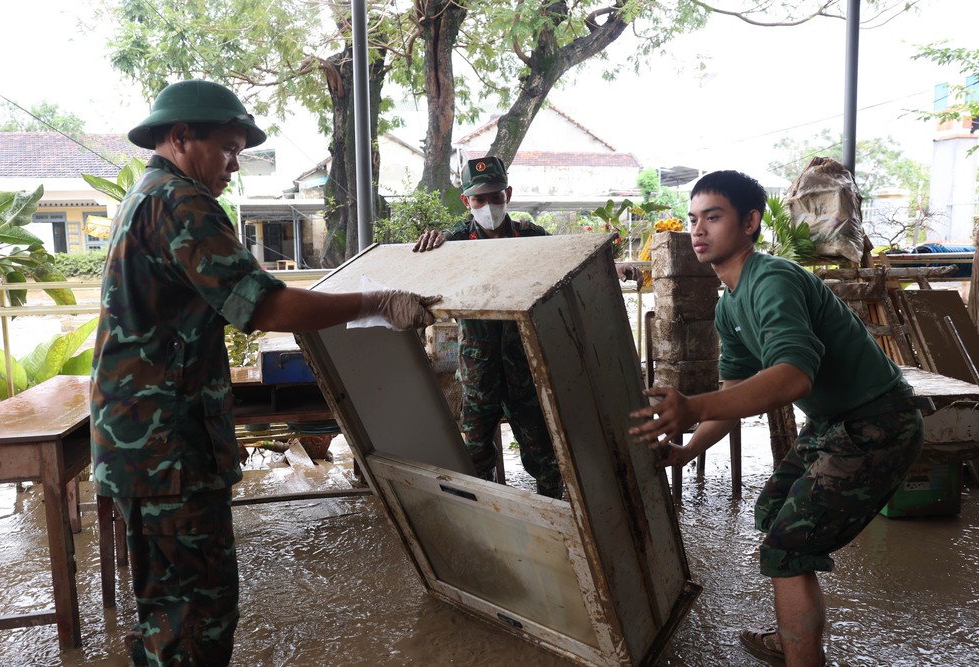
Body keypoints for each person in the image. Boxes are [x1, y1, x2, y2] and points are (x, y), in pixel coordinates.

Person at [90, 79, 439, 667]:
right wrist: (376, 302)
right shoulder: (180, 201)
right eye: (227, 148)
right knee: (196, 618)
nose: (234, 165)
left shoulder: (147, 194)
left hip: (144, 444)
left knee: (167, 610)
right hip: (167, 448)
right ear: (180, 137)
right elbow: (268, 306)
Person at [627, 170, 928, 667]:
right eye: (693, 218)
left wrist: (692, 406)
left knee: (787, 549)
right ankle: (795, 636)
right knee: (773, 514)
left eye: (714, 217)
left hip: (880, 422)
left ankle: (800, 655)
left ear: (750, 222)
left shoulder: (772, 280)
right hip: (835, 424)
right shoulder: (729, 307)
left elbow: (792, 379)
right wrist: (686, 450)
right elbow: (733, 396)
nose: (698, 230)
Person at [414, 155, 643, 498]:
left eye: (495, 196)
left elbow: (572, 261)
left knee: (545, 457)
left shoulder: (532, 237)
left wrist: (616, 266)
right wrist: (428, 248)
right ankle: (483, 520)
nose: (488, 205)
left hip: (527, 368)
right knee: (474, 457)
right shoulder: (453, 244)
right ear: (467, 201)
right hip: (478, 372)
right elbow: (419, 278)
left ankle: (555, 520)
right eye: (480, 198)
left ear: (508, 193)